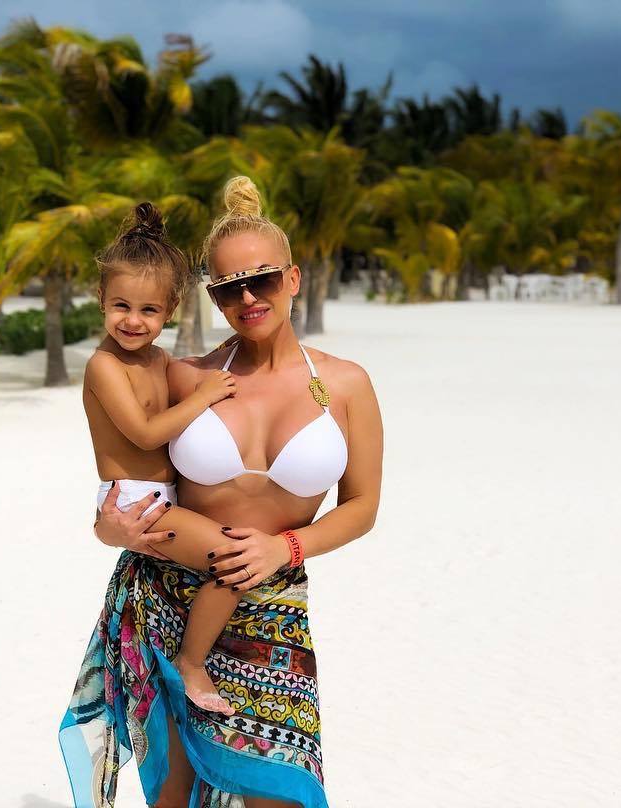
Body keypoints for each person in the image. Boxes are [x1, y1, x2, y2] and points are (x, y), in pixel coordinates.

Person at [60, 177, 383, 808]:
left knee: (277, 792)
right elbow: (134, 473)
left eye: (262, 279)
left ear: (293, 278)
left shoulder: (347, 384)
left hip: (272, 605)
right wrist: (107, 528)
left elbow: (363, 505)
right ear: (211, 297)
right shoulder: (188, 376)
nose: (248, 297)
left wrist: (286, 548)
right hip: (169, 595)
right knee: (176, 793)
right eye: (229, 286)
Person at [82, 201, 268, 714]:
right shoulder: (103, 366)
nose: (133, 321)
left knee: (226, 556)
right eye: (121, 306)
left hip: (165, 499)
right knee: (233, 560)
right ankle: (191, 663)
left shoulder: (160, 360)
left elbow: (201, 371)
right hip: (137, 500)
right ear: (100, 300)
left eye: (149, 310)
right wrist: (203, 397)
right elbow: (145, 435)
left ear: (170, 311)